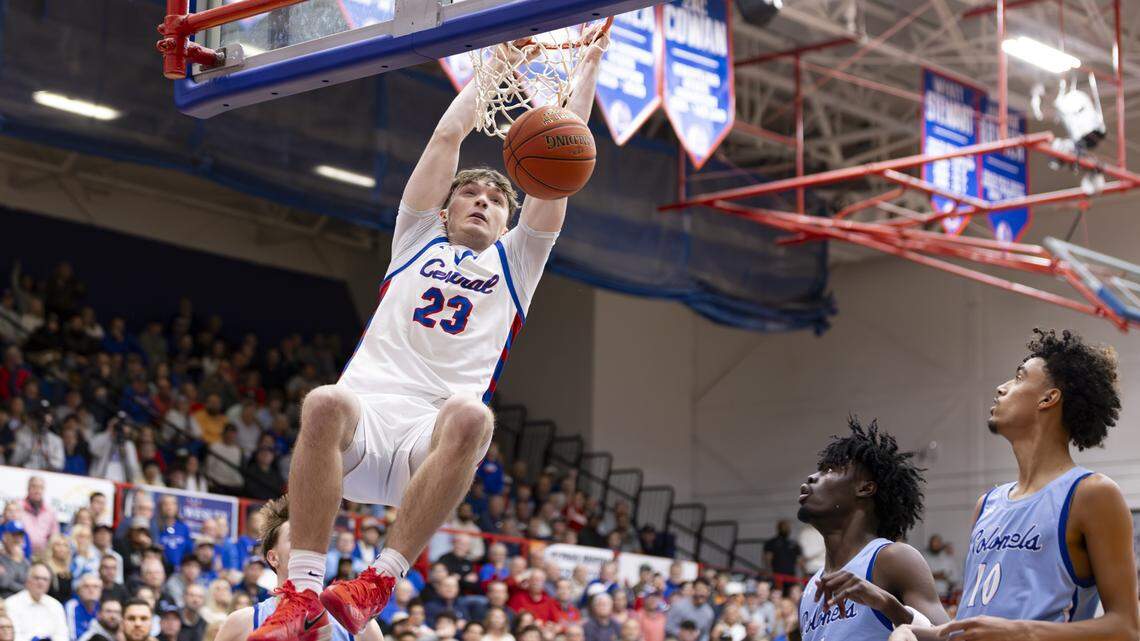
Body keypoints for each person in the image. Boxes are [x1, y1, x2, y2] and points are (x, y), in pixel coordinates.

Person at [250, 27, 611, 641]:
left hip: (427, 444)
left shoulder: (518, 262)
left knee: (474, 416)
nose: (480, 202)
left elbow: (561, 160)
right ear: (443, 211)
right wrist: (497, 65)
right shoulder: (416, 241)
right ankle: (302, 592)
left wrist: (589, 67)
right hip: (363, 430)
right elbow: (447, 136)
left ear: (509, 218)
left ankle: (378, 581)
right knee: (324, 400)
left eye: (495, 200)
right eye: (467, 194)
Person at [892, 330, 1140, 641]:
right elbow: (973, 630)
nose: (1001, 388)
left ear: (1048, 398)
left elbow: (1126, 628)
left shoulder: (1090, 494)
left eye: (1019, 378)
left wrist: (1019, 631)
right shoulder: (987, 504)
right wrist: (912, 633)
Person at [795, 418, 948, 641]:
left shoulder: (892, 558)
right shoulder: (812, 587)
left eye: (830, 470)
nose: (812, 477)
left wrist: (888, 606)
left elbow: (949, 638)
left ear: (865, 488)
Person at [214, 496, 381, 641]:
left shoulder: (360, 625)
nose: (309, 546)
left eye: (315, 539)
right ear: (273, 558)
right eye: (296, 539)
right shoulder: (242, 623)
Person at [5, 562, 70, 641]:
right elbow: (13, 636)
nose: (41, 582)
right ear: (27, 580)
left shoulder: (55, 605)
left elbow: (62, 635)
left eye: (45, 579)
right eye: (37, 578)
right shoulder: (11, 603)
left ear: (49, 583)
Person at [21, 476, 59, 554]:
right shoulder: (18, 507)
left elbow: (54, 536)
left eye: (40, 487)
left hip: (42, 555)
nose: (37, 490)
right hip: (21, 553)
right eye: (34, 486)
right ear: (28, 488)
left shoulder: (50, 511)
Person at [66, 573, 104, 641]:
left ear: (101, 591)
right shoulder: (71, 606)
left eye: (95, 587)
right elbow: (71, 637)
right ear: (78, 591)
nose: (91, 590)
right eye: (86, 586)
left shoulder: (103, 608)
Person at [919, 535, 957, 601]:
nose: (936, 545)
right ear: (930, 543)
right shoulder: (923, 556)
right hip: (927, 595)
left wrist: (946, 578)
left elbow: (954, 577)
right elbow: (920, 574)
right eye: (934, 542)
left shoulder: (946, 558)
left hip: (944, 595)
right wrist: (936, 575)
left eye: (938, 542)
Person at [0, 523, 30, 599]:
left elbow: (30, 584)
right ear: (5, 537)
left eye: (20, 536)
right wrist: (15, 560)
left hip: (24, 601)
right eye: (14, 535)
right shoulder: (1, 559)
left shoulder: (25, 561)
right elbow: (4, 583)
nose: (17, 539)